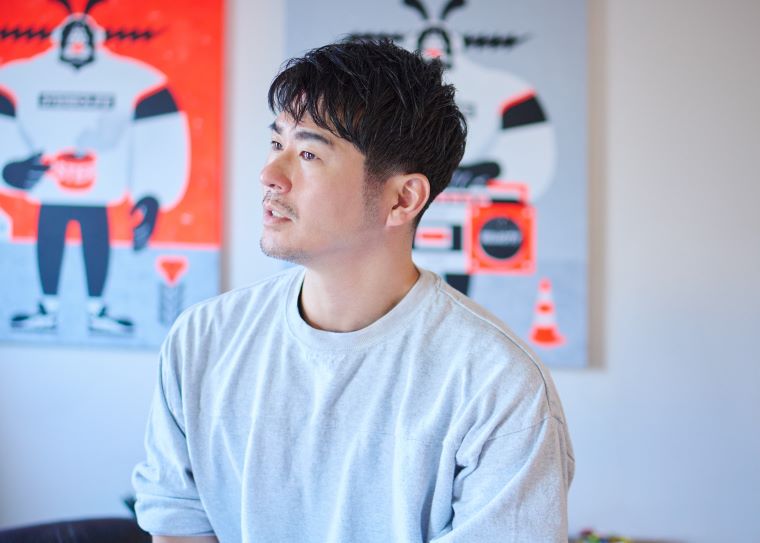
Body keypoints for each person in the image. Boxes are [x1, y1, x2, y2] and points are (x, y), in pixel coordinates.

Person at [132, 39, 574, 542]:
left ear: (403, 198)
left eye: (308, 153)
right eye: (276, 144)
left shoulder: (497, 383)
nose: (269, 175)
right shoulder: (202, 340)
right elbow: (178, 529)